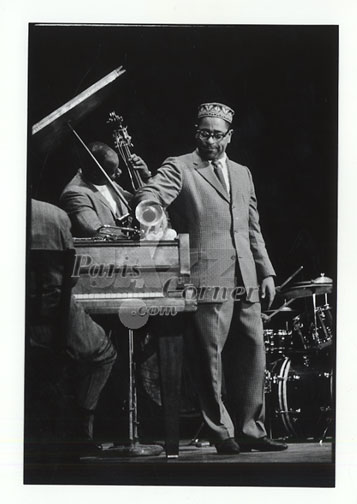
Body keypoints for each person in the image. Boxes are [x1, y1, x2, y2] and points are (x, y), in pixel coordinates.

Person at [133, 102, 288, 454]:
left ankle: (251, 429)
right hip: (205, 277)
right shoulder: (180, 166)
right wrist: (151, 213)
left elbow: (252, 228)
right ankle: (221, 432)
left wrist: (266, 271)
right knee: (210, 359)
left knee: (252, 355)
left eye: (218, 135)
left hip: (245, 276)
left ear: (229, 137)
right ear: (196, 131)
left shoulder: (243, 172)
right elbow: (150, 193)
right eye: (205, 133)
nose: (211, 141)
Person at [28, 198, 118, 458]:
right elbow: (72, 275)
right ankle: (80, 427)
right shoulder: (54, 215)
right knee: (104, 354)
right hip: (53, 314)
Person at [60, 141, 150, 237]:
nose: (119, 172)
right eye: (112, 171)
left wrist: (146, 177)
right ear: (95, 174)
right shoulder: (74, 194)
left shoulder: (103, 180)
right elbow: (97, 233)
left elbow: (140, 202)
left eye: (118, 167)